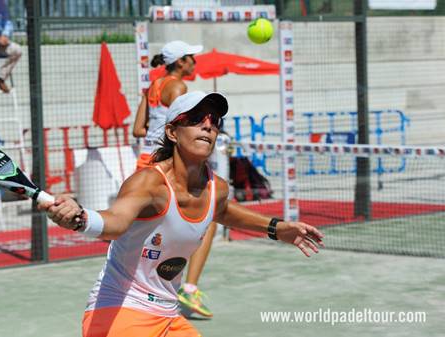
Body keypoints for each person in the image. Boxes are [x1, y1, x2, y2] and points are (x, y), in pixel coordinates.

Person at [41, 91, 324, 337]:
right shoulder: (149, 183)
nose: (207, 126)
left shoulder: (217, 188)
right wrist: (81, 218)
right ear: (172, 132)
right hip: (121, 309)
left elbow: (223, 211)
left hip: (167, 315)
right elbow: (116, 222)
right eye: (196, 119)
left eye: (214, 121)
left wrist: (275, 228)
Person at [132, 40, 215, 318]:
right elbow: (183, 127)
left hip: (143, 163)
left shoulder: (152, 87)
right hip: (164, 164)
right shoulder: (179, 88)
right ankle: (188, 289)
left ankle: (148, 290)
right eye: (192, 57)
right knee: (208, 217)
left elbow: (137, 129)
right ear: (180, 62)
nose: (195, 62)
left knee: (153, 232)